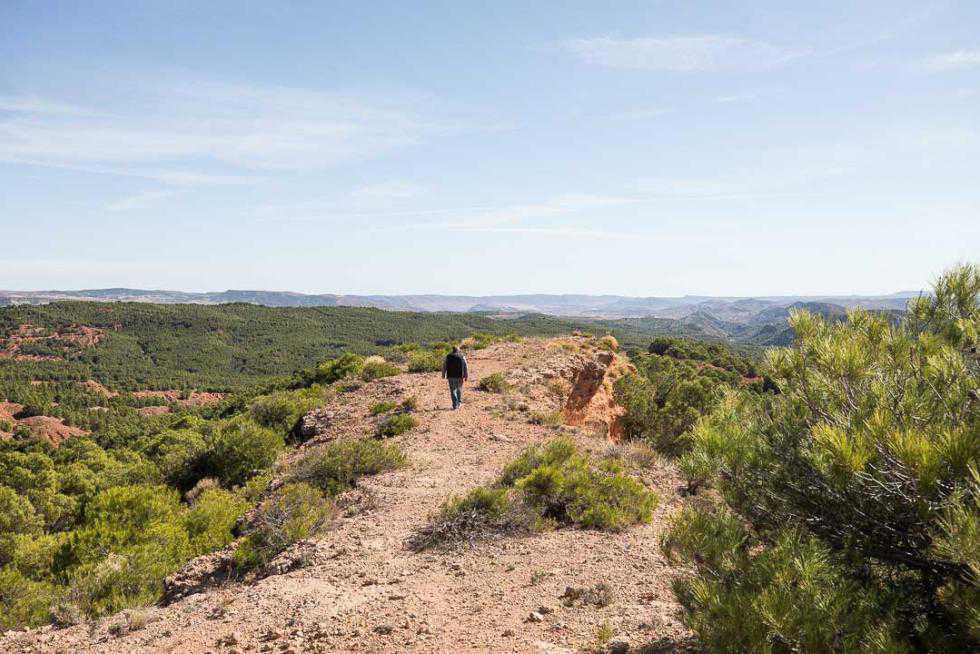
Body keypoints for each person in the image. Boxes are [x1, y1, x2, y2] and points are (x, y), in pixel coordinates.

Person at [441, 345, 468, 410]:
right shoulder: (462, 356)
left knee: (453, 390)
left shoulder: (448, 357)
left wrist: (443, 374)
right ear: (458, 350)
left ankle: (455, 404)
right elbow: (465, 366)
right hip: (460, 376)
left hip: (451, 376)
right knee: (459, 389)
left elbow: (444, 366)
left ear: (452, 350)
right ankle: (458, 402)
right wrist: (466, 375)